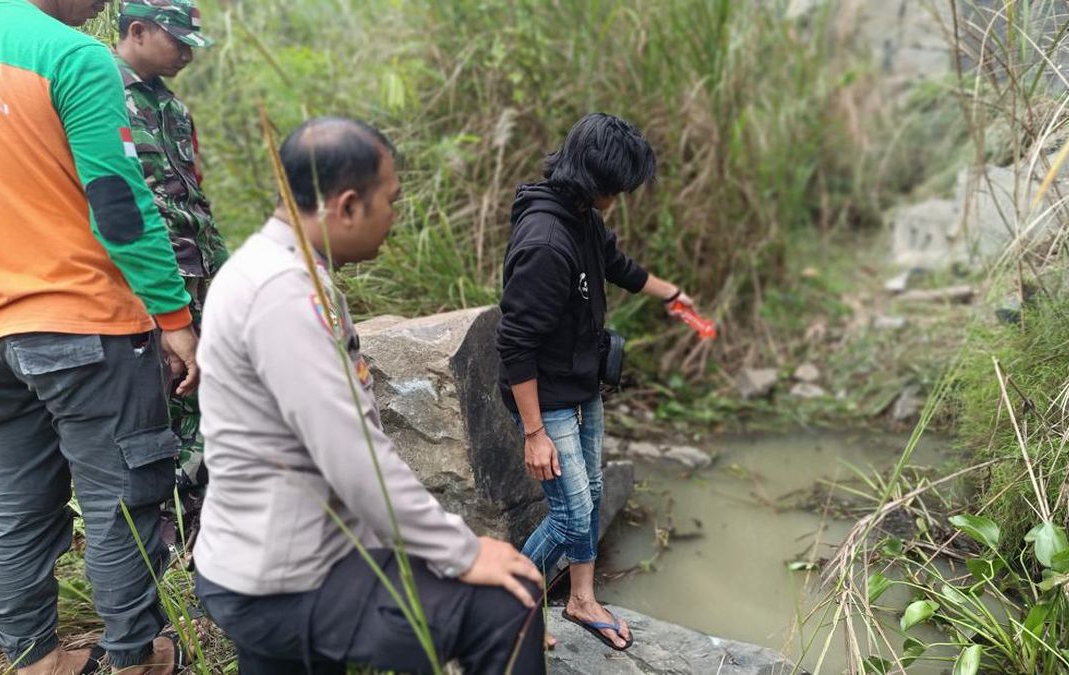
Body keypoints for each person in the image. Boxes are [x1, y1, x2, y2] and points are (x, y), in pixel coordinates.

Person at [193, 117, 545, 675]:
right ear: (349, 206)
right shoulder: (285, 295)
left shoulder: (267, 270)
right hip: (284, 580)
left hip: (258, 563)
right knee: (509, 605)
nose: (394, 218)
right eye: (391, 201)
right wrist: (463, 551)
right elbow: (354, 457)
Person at [0, 0, 201, 673]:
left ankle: (34, 658)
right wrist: (174, 317)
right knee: (123, 497)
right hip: (82, 319)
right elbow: (117, 202)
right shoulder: (70, 55)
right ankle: (137, 657)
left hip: (1, 332)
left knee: (15, 503)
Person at [496, 112, 698, 651]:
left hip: (582, 382)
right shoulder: (545, 242)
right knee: (570, 515)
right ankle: (504, 608)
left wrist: (671, 294)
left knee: (592, 493)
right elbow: (514, 343)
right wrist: (534, 433)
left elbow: (616, 264)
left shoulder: (581, 214)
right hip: (546, 397)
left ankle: (581, 600)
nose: (621, 196)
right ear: (596, 178)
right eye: (619, 186)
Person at [114, 0, 227, 545]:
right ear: (137, 30)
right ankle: (168, 533)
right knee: (165, 401)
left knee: (204, 393)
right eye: (177, 42)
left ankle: (205, 525)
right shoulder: (101, 92)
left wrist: (222, 269)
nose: (186, 54)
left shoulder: (172, 108)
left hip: (198, 270)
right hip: (151, 281)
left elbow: (193, 196)